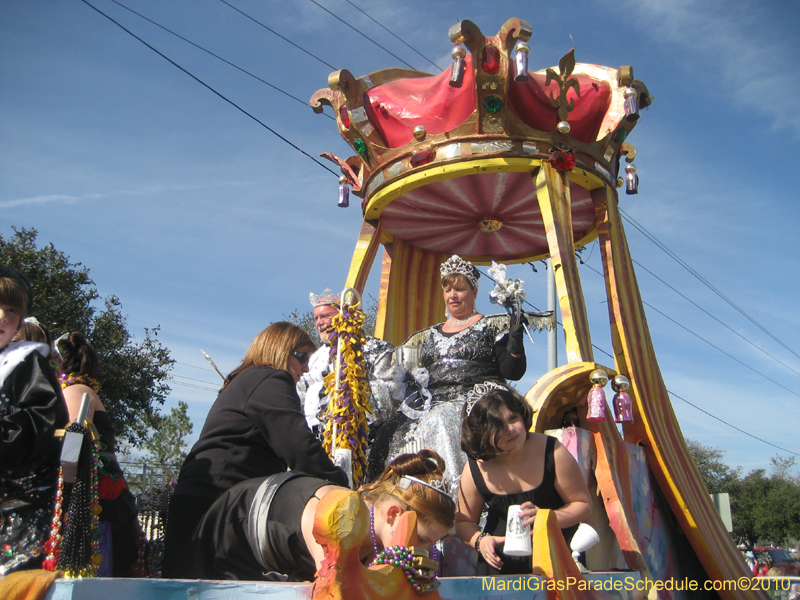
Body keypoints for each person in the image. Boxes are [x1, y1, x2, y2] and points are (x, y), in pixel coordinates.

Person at [163, 321, 350, 578]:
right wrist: (342, 486)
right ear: (281, 350)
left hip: (200, 498)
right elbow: (297, 444)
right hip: (217, 502)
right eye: (302, 357)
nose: (306, 368)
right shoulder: (271, 378)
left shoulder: (247, 379)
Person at [368, 255, 526, 488]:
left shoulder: (492, 326)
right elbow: (410, 374)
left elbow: (513, 372)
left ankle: (453, 493)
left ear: (474, 291)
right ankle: (384, 493)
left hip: (477, 402)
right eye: (448, 289)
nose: (453, 295)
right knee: (387, 430)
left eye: (460, 289)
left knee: (441, 419)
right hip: (431, 402)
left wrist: (515, 336)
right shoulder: (426, 336)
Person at [182, 449, 455, 582]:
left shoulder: (374, 539)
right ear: (394, 515)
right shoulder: (343, 517)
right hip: (228, 535)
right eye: (422, 538)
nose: (427, 551)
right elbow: (332, 586)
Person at [456, 388, 592, 575]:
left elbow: (583, 504)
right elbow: (463, 522)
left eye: (513, 418)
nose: (510, 430)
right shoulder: (474, 468)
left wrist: (548, 518)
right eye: (498, 426)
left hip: (556, 561)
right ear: (481, 433)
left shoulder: (552, 450)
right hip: (499, 566)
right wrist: (480, 540)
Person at [55, 332, 143, 577]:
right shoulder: (84, 390)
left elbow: (71, 447)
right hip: (107, 495)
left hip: (94, 498)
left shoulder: (73, 392)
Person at [0, 266, 68, 575]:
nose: (3, 316)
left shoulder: (28, 362)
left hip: (18, 511)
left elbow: (43, 422)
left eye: (11, 310)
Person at [298, 289, 398, 437]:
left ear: (343, 316)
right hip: (313, 437)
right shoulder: (313, 358)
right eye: (316, 318)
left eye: (325, 316)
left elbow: (392, 389)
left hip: (357, 435)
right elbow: (299, 393)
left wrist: (349, 397)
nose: (319, 323)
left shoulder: (372, 348)